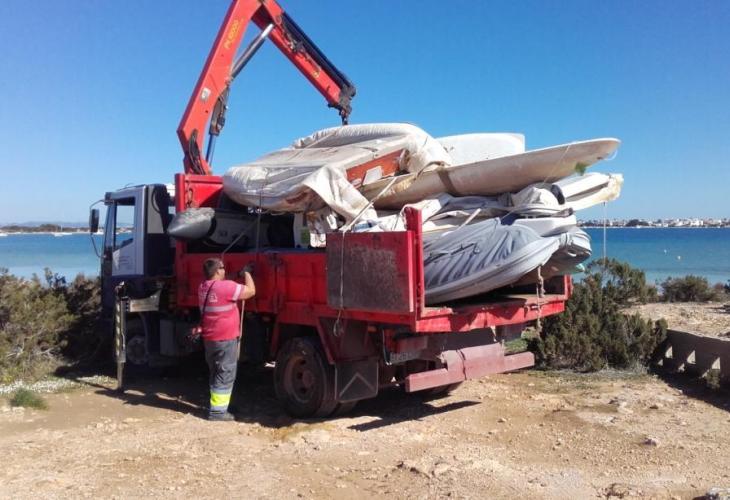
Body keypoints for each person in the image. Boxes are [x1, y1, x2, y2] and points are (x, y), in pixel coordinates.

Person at [197, 257, 255, 421]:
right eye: (222, 268)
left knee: (216, 372)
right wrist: (247, 273)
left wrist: (238, 274)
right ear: (217, 271)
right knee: (225, 373)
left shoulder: (203, 287)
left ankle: (219, 406)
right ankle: (218, 413)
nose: (224, 270)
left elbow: (222, 284)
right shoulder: (226, 287)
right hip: (225, 338)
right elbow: (251, 291)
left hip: (210, 338)